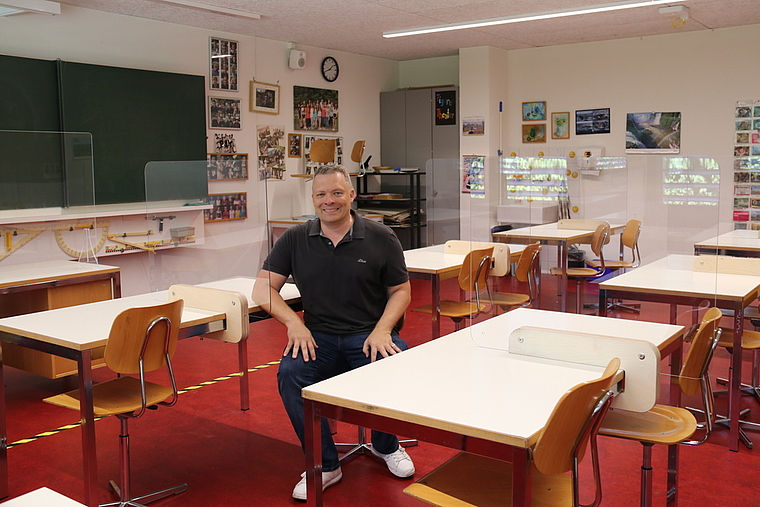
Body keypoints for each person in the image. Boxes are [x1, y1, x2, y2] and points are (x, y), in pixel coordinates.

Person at [252, 164, 414, 501]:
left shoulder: (381, 237)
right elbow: (263, 289)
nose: (330, 201)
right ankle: (325, 464)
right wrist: (294, 323)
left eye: (337, 193)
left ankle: (386, 446)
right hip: (318, 337)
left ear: (351, 195)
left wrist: (384, 330)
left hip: (368, 334)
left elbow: (402, 291)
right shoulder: (296, 238)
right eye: (322, 194)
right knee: (290, 374)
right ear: (313, 199)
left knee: (394, 364)